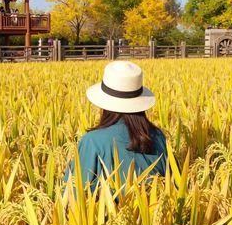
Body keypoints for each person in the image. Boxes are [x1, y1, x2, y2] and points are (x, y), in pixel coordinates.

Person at [65, 61, 167, 193]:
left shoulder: (92, 141)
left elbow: (73, 195)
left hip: (111, 213)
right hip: (156, 212)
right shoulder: (158, 136)